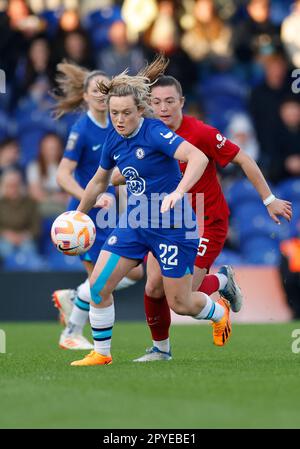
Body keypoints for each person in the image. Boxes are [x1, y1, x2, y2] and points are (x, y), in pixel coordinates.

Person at [70, 55, 239, 367]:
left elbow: (198, 158)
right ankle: (102, 354)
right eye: (114, 113)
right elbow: (99, 180)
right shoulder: (113, 138)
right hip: (135, 223)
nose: (119, 119)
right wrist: (78, 215)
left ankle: (219, 312)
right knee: (98, 286)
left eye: (125, 113)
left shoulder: (155, 133)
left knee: (181, 302)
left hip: (174, 225)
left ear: (140, 111)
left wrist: (178, 191)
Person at [111, 75, 292, 362]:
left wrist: (269, 199)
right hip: (166, 222)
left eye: (170, 101)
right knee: (153, 287)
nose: (164, 108)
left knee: (184, 295)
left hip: (206, 220)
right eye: (156, 102)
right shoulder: (147, 133)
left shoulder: (200, 133)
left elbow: (243, 158)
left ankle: (221, 281)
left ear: (182, 103)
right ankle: (161, 350)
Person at [51, 62, 143, 350]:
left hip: (110, 215)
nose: (102, 96)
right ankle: (71, 334)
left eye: (106, 90)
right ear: (86, 96)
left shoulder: (117, 125)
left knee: (135, 273)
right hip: (86, 217)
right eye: (96, 91)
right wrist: (88, 198)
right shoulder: (82, 130)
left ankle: (74, 296)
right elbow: (62, 174)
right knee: (100, 279)